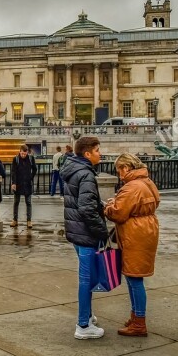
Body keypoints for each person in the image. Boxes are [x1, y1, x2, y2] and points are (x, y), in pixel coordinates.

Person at [104, 154, 160, 338]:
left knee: (134, 278)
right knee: (134, 277)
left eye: (119, 170)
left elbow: (118, 214)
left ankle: (139, 322)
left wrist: (108, 207)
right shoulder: (147, 181)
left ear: (126, 167)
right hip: (147, 228)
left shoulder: (131, 187)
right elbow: (155, 202)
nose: (119, 175)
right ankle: (136, 316)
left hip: (134, 234)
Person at [60, 136, 109, 339]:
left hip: (76, 231)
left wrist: (101, 205)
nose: (100, 154)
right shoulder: (86, 174)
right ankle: (82, 325)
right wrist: (102, 232)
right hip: (86, 233)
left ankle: (87, 316)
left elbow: (84, 200)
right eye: (97, 150)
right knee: (86, 279)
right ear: (87, 153)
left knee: (86, 278)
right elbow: (86, 208)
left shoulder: (73, 169)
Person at [10, 144, 37, 228]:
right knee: (16, 202)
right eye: (22, 154)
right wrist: (13, 183)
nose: (23, 155)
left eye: (25, 154)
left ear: (27, 152)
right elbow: (13, 171)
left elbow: (35, 169)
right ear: (20, 151)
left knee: (28, 202)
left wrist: (31, 177)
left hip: (27, 183)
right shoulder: (16, 159)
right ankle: (15, 220)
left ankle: (29, 220)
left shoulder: (31, 158)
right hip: (18, 183)